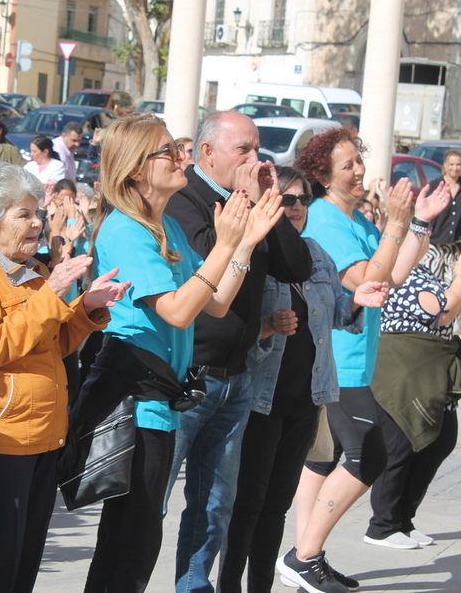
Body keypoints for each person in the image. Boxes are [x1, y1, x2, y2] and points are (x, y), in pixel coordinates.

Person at [82, 113, 284, 592]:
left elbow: (214, 303)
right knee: (131, 536)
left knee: (140, 534)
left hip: (163, 401)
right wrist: (227, 245)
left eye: (179, 148)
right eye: (168, 151)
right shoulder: (125, 229)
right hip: (136, 398)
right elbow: (176, 310)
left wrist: (245, 243)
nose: (182, 157)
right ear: (136, 169)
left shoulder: (165, 225)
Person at [0, 162, 123, 592]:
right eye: (23, 214)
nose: (37, 222)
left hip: (39, 433)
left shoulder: (31, 271)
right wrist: (54, 291)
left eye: (37, 211)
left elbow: (51, 345)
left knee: (22, 563)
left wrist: (87, 309)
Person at [281, 127, 450, 593]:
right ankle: (304, 555)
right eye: (348, 164)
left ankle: (304, 558)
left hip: (356, 355)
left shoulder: (353, 218)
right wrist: (397, 223)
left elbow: (392, 273)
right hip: (338, 356)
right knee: (367, 453)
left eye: (360, 161)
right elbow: (363, 282)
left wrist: (416, 223)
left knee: (322, 459)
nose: (359, 171)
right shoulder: (326, 221)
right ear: (322, 174)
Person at [162, 112, 314, 593]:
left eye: (258, 148)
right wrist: (245, 204)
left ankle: (193, 585)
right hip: (189, 375)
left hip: (239, 375)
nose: (255, 159)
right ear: (208, 153)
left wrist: (268, 201)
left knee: (215, 502)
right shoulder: (185, 197)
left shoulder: (249, 201)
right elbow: (211, 262)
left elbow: (296, 265)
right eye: (242, 150)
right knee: (155, 497)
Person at [220, 166, 388, 593]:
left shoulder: (315, 253)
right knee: (248, 504)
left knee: (276, 506)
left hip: (306, 398)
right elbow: (226, 322)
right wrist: (269, 325)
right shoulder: (253, 249)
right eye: (287, 198)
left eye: (302, 200)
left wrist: (356, 302)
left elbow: (335, 314)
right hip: (260, 398)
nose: (295, 207)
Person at [364, 247, 461, 549]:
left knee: (439, 440)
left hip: (431, 368)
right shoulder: (397, 274)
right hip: (401, 370)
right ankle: (383, 526)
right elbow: (440, 314)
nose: (427, 241)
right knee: (400, 446)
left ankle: (404, 519)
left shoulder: (427, 269)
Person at [427, 149, 461, 282]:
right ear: (445, 165)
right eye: (451, 164)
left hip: (457, 246)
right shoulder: (435, 186)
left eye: (458, 164)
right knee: (432, 283)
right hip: (434, 244)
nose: (455, 168)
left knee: (453, 284)